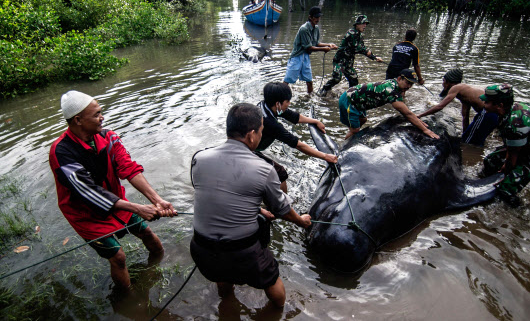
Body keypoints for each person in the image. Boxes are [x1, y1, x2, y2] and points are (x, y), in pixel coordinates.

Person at [49, 90, 177, 289]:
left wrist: (156, 200)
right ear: (78, 120)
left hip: (120, 204)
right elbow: (88, 191)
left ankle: (157, 269)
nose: (102, 118)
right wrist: (137, 208)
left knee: (147, 233)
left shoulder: (108, 137)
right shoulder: (61, 152)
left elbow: (129, 168)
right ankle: (129, 299)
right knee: (118, 257)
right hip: (86, 215)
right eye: (97, 114)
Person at [189, 103, 312, 308]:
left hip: (201, 248)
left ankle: (228, 307)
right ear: (251, 135)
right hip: (243, 252)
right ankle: (278, 312)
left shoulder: (199, 158)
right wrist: (301, 220)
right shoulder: (264, 169)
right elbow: (282, 210)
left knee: (223, 275)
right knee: (272, 280)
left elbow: (219, 197)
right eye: (261, 131)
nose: (262, 136)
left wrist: (257, 210)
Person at [479, 84, 530, 207]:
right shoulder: (512, 108)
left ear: (499, 105)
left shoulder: (515, 124)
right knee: (490, 161)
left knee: (506, 189)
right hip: (526, 144)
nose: (484, 104)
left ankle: (518, 212)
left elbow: (512, 157)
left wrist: (506, 170)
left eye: (487, 102)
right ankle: (485, 185)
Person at [256, 83, 338, 192]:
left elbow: (293, 116)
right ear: (278, 103)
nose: (289, 104)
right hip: (248, 151)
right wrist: (325, 156)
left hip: (247, 145)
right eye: (287, 101)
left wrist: (315, 121)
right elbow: (297, 144)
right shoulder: (270, 123)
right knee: (280, 174)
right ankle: (283, 206)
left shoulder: (266, 105)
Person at [339, 69, 440, 140]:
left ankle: (351, 135)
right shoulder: (391, 91)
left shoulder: (395, 85)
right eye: (407, 83)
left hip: (358, 101)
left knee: (363, 120)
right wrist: (426, 130)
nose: (409, 86)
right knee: (355, 130)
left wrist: (417, 119)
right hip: (349, 101)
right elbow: (407, 114)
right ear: (400, 78)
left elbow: (407, 111)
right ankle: (344, 146)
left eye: (411, 84)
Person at [417, 68, 498, 146]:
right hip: (493, 113)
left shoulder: (456, 88)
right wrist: (464, 133)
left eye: (443, 81)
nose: (442, 84)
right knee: (473, 139)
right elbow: (465, 117)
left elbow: (440, 106)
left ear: (448, 82)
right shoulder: (465, 95)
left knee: (470, 142)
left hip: (487, 113)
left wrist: (420, 115)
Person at [318, 15, 384, 97]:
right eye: (363, 23)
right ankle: (324, 89)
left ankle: (350, 95)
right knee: (337, 78)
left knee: (354, 79)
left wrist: (374, 57)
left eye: (366, 24)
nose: (365, 26)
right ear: (357, 24)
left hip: (348, 62)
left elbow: (363, 48)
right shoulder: (351, 33)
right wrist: (372, 56)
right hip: (340, 60)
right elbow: (359, 48)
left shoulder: (359, 35)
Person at [283, 6, 338, 94]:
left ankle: (309, 99)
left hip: (306, 57)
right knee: (287, 80)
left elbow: (316, 43)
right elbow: (308, 47)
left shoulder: (316, 28)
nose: (318, 19)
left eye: (319, 17)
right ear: (310, 17)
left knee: (309, 81)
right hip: (297, 57)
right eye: (316, 17)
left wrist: (329, 44)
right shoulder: (304, 29)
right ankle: (280, 96)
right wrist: (324, 49)